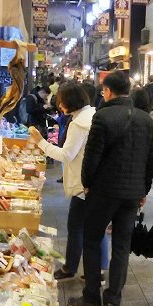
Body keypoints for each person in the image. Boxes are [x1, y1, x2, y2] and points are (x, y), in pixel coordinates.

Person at [68, 71, 153, 306]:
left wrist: (86, 183)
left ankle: (92, 296)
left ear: (107, 91)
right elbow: (150, 160)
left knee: (92, 238)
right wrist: (144, 190)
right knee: (121, 244)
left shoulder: (102, 117)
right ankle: (113, 301)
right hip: (131, 193)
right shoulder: (145, 119)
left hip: (103, 191)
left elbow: (92, 156)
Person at [28, 83, 109, 281]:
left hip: (84, 184)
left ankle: (74, 268)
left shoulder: (79, 124)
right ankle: (98, 269)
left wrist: (41, 141)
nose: (58, 103)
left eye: (61, 100)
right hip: (95, 181)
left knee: (77, 227)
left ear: (70, 101)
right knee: (95, 227)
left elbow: (66, 154)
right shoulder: (92, 115)